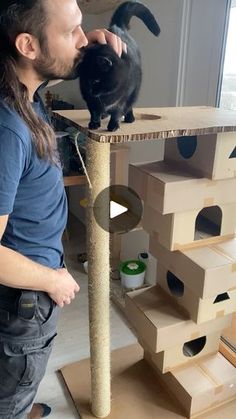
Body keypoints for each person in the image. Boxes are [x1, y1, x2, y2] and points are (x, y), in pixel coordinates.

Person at [0, 1, 125, 418]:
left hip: (26, 296)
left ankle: (18, 393)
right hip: (22, 303)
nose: (83, 39)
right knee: (13, 386)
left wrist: (84, 48)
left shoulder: (22, 88)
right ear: (28, 45)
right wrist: (52, 279)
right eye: (72, 31)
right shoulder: (8, 130)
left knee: (17, 376)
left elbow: (67, 57)